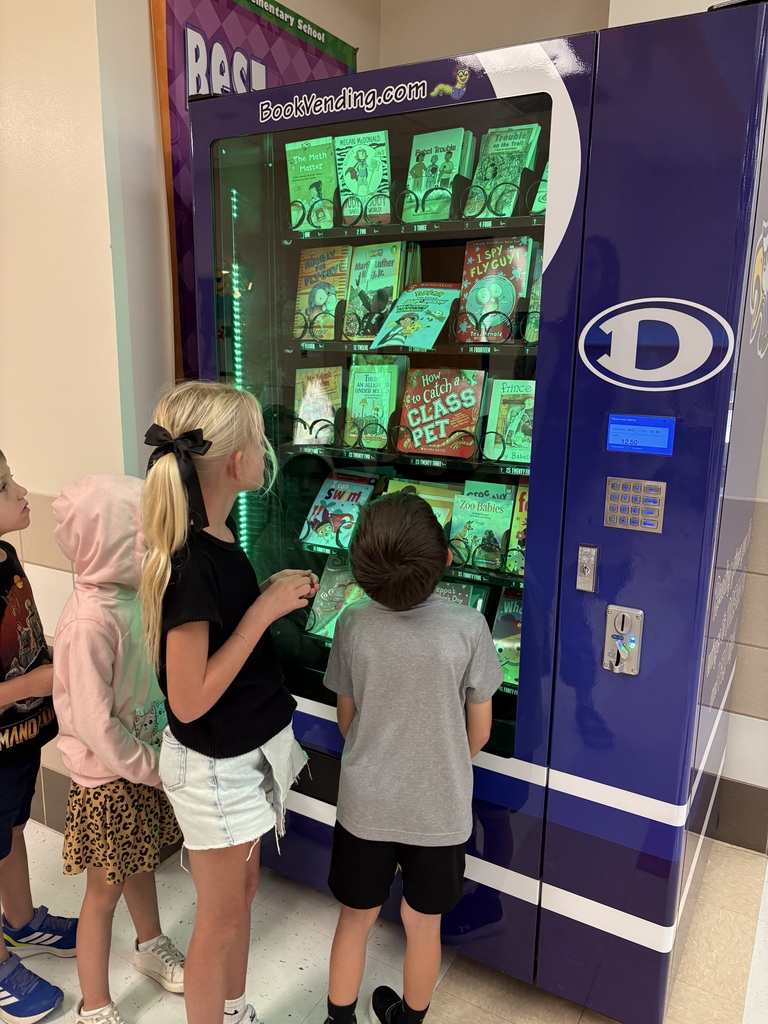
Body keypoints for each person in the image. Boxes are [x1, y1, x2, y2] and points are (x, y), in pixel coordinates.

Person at [139, 381, 319, 1024]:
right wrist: (264, 612)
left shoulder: (215, 536)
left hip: (242, 756)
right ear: (233, 461)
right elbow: (188, 701)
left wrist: (261, 595)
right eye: (259, 441)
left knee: (240, 892)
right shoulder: (191, 561)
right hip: (216, 769)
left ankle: (234, 1009)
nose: (267, 451)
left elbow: (221, 631)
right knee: (218, 921)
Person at [322, 491, 502, 1024]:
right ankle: (409, 1019)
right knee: (424, 924)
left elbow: (347, 720)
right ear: (447, 558)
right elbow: (482, 731)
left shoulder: (352, 623)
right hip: (439, 812)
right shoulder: (470, 628)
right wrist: (440, 759)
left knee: (355, 918)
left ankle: (338, 1018)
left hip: (365, 807)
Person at [52, 474, 186, 1024]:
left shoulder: (127, 597)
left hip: (139, 766)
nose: (158, 551)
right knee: (101, 895)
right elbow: (94, 724)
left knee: (142, 864)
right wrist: (149, 766)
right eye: (147, 540)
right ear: (112, 544)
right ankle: (96, 1004)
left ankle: (150, 944)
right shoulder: (88, 622)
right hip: (109, 781)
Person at [0, 450, 78, 1024]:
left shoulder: (5, 555)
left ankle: (21, 922)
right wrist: (38, 680)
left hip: (18, 741)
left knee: (12, 829)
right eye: (5, 487)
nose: (22, 490)